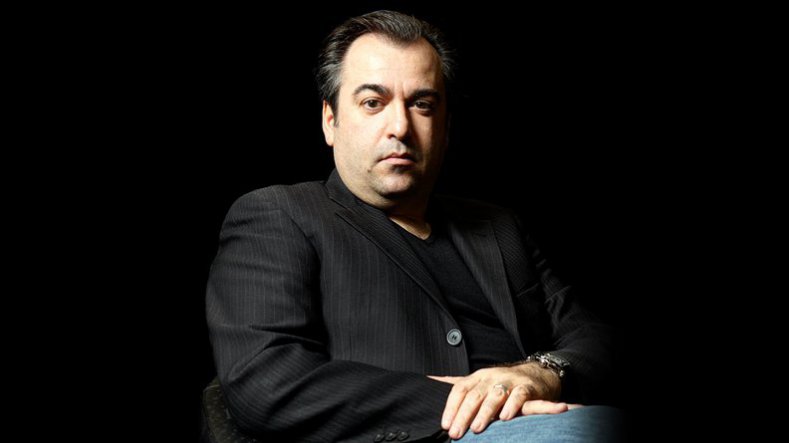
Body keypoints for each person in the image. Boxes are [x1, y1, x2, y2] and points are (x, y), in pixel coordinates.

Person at [206, 10, 622, 442]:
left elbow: (598, 341)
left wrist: (542, 372)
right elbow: (265, 381)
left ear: (445, 127)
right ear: (330, 120)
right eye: (373, 103)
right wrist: (467, 401)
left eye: (422, 104)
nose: (401, 127)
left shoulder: (499, 227)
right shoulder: (279, 214)